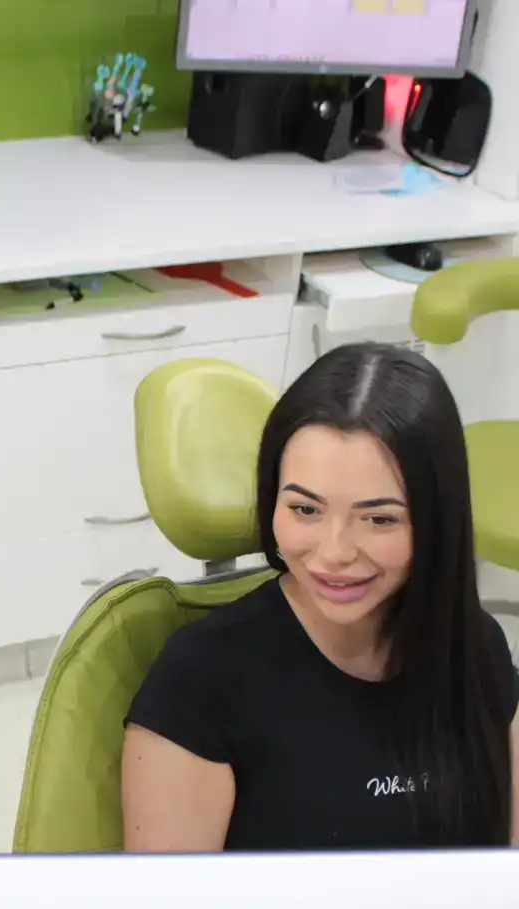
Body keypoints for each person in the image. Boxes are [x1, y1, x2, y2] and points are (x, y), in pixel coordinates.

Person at [122, 343, 519, 852]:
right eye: (305, 510)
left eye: (380, 519)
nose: (334, 554)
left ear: (438, 520)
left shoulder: (476, 648)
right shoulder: (201, 680)